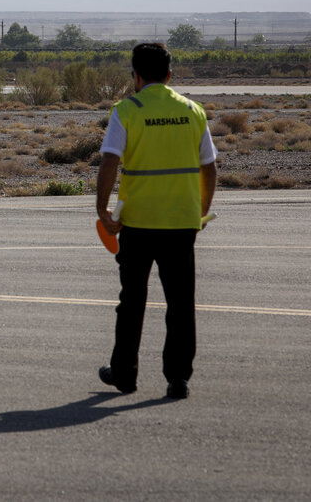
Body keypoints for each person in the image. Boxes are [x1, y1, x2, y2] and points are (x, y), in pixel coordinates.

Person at [95, 42, 217, 400]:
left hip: (138, 222)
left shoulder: (127, 110)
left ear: (135, 76)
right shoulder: (193, 111)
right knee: (181, 303)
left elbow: (109, 162)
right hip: (181, 222)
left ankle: (124, 374)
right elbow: (209, 166)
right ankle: (178, 378)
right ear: (169, 74)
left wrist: (102, 209)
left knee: (132, 300)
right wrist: (201, 210)